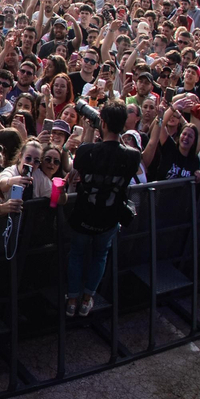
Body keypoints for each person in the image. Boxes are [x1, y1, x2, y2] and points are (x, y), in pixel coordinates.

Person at [64, 102, 141, 317]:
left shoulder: (87, 150)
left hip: (83, 216)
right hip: (109, 218)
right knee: (100, 256)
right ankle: (88, 298)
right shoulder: (133, 156)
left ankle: (72, 300)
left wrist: (89, 130)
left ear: (103, 123)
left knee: (77, 255)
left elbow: (80, 163)